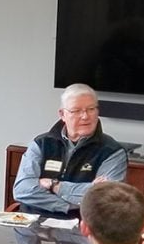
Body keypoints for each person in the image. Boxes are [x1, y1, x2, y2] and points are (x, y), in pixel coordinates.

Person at [13, 83, 127, 217]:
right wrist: (68, 206)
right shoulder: (41, 143)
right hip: (32, 222)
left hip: (82, 226)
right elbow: (22, 190)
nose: (85, 116)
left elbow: (103, 199)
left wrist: (54, 185)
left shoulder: (112, 152)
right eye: (76, 111)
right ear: (62, 114)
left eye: (91, 109)